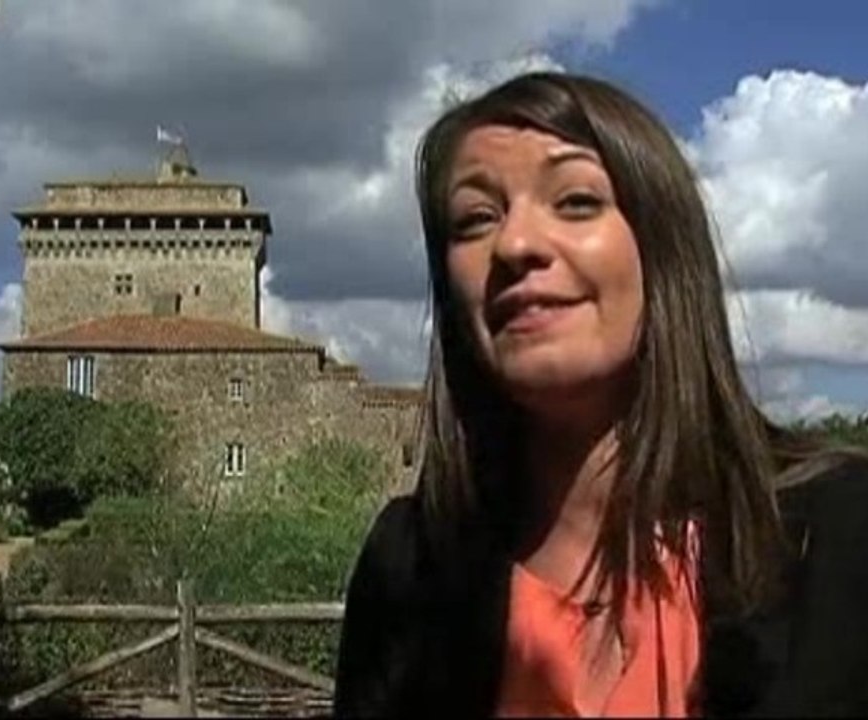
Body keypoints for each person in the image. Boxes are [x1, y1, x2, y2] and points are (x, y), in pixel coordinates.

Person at [333, 70, 868, 717]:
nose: (516, 244)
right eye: (475, 219)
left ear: (663, 248)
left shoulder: (837, 531)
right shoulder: (410, 565)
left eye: (577, 201)